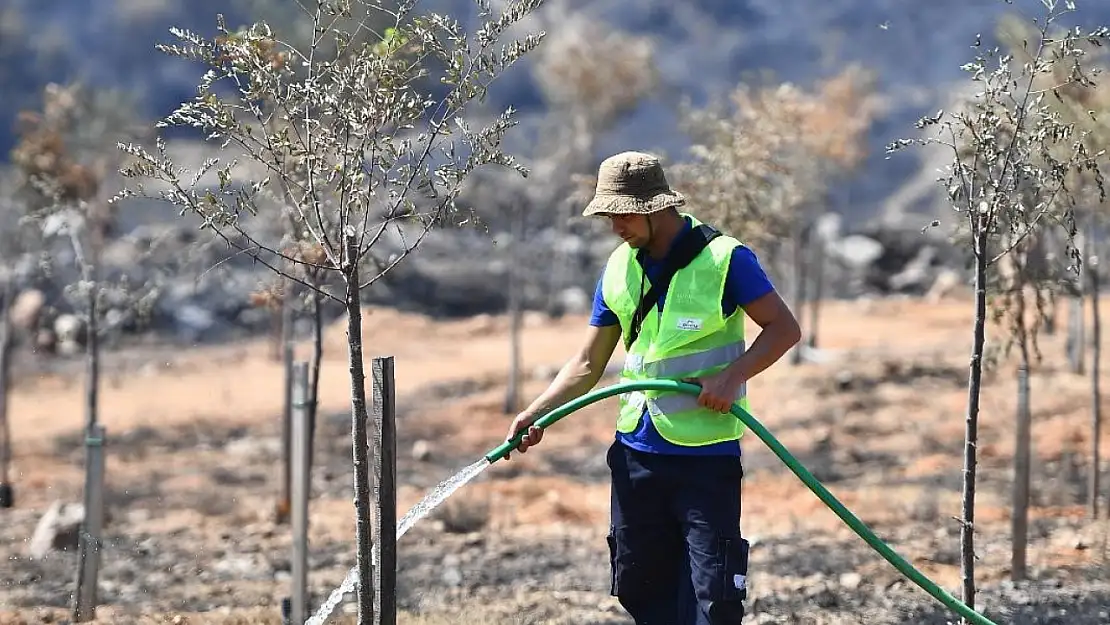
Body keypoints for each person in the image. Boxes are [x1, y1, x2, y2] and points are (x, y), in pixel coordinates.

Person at [504, 151, 802, 624]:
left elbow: (783, 329)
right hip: (636, 457)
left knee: (716, 599)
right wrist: (537, 411)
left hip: (705, 460)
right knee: (641, 590)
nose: (614, 226)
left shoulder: (726, 259)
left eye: (620, 214)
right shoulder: (618, 268)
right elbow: (587, 362)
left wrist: (731, 376)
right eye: (607, 215)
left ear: (654, 206)